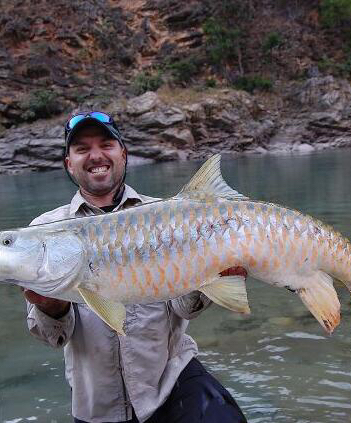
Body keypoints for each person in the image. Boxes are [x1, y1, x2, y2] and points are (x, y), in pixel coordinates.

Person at [23, 111, 248, 423]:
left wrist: (211, 276)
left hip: (172, 382)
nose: (96, 156)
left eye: (106, 144)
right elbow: (53, 338)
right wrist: (52, 308)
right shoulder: (43, 231)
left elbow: (185, 309)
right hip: (98, 405)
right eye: (82, 149)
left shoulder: (170, 216)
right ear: (68, 163)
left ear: (123, 154)